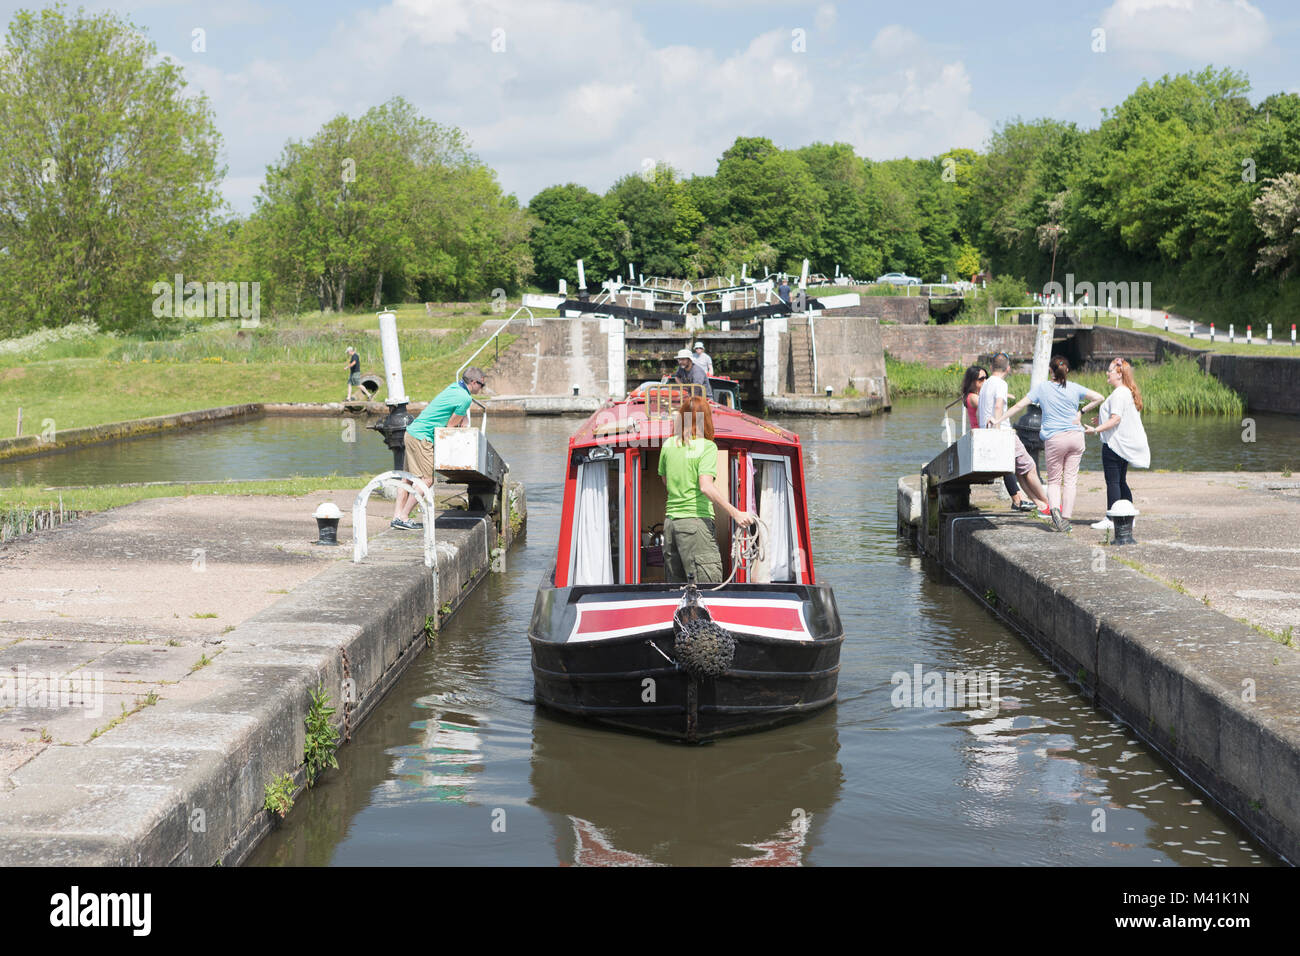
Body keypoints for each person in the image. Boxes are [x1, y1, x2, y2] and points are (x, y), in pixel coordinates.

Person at [993, 355, 1104, 532]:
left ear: (1050, 371)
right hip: (1076, 437)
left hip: (1055, 439)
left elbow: (1018, 406)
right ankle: (1066, 518)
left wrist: (997, 419)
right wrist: (1081, 411)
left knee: (1053, 481)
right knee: (1070, 481)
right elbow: (1099, 397)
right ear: (1066, 370)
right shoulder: (1075, 388)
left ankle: (1055, 512)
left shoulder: (1042, 388)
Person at [657, 395, 755, 582]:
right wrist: (736, 514)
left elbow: (666, 482)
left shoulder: (668, 444)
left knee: (676, 588)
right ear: (706, 419)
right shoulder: (707, 447)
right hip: (695, 523)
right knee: (708, 585)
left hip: (670, 525)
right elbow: (706, 486)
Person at [391, 367, 487, 529]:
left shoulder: (455, 388)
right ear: (473, 382)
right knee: (427, 480)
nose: (482, 388)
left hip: (413, 432)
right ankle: (404, 517)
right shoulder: (465, 398)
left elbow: (458, 417)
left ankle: (397, 517)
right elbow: (450, 426)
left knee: (407, 478)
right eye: (481, 385)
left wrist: (462, 422)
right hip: (423, 438)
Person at [1081, 357, 1150, 530]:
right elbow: (1118, 416)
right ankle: (1128, 517)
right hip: (1122, 446)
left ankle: (1111, 519)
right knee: (1120, 481)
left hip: (1114, 446)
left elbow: (1116, 419)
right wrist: (1102, 419)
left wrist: (1096, 430)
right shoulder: (1125, 391)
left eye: (1110, 370)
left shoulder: (1120, 393)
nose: (1107, 373)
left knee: (1113, 482)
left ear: (1119, 374)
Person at [978, 353, 1050, 516]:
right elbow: (998, 406)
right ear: (1008, 368)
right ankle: (1047, 504)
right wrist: (997, 429)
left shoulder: (986, 384)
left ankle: (1039, 504)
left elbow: (980, 412)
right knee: (1030, 467)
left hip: (987, 433)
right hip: (1003, 433)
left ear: (991, 367)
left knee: (1020, 471)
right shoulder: (1001, 384)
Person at [961, 365, 1035, 512]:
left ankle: (1019, 498)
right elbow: (985, 401)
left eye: (986, 378)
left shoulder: (976, 396)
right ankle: (1018, 499)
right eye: (980, 379)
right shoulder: (972, 397)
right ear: (972, 381)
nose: (985, 381)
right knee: (1006, 464)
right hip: (982, 437)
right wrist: (999, 395)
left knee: (1007, 464)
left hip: (985, 434)